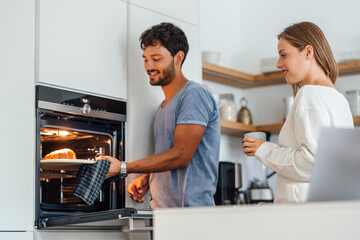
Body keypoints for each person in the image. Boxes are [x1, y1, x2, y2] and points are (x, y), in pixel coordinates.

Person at [99, 22, 220, 208]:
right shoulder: (162, 108)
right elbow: (170, 156)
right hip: (163, 214)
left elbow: (181, 155)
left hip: (192, 214)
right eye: (145, 59)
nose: (149, 66)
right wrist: (149, 178)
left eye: (156, 58)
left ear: (178, 58)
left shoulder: (194, 94)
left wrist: (124, 167)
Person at [242, 22, 354, 203]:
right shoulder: (339, 100)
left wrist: (263, 149)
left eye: (284, 55)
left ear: (308, 52)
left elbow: (312, 163)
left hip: (301, 216)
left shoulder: (309, 95)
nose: (279, 64)